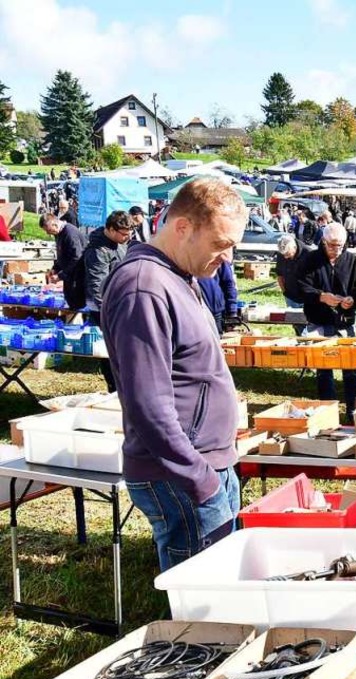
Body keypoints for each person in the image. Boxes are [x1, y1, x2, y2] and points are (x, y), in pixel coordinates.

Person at [100, 177, 246, 571]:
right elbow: (149, 403)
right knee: (205, 597)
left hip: (203, 465)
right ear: (183, 227)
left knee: (224, 588)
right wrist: (200, 478)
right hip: (181, 473)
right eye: (221, 244)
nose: (228, 257)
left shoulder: (180, 276)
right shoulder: (143, 287)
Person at [297, 221, 356, 408]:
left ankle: (355, 410)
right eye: (332, 246)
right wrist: (321, 296)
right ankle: (327, 410)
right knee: (324, 368)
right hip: (318, 320)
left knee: (351, 367)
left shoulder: (351, 260)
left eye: (340, 246)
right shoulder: (311, 259)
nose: (337, 250)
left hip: (345, 321)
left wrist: (353, 299)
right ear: (323, 242)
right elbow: (300, 287)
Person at [83, 210, 134, 392]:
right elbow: (97, 285)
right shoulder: (98, 251)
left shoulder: (119, 243)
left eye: (130, 233)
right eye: (123, 233)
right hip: (104, 309)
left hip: (120, 303)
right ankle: (114, 387)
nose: (127, 237)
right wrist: (107, 311)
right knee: (110, 352)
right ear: (111, 229)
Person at [40, 212, 88, 285]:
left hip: (77, 276)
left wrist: (60, 276)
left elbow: (77, 257)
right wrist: (55, 269)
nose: (48, 233)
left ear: (55, 224)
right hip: (69, 275)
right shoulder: (58, 233)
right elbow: (62, 255)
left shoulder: (70, 233)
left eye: (49, 230)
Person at [196, 261, 238, 334]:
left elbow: (228, 283)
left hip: (214, 312)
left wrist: (232, 311)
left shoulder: (217, 255)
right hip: (190, 313)